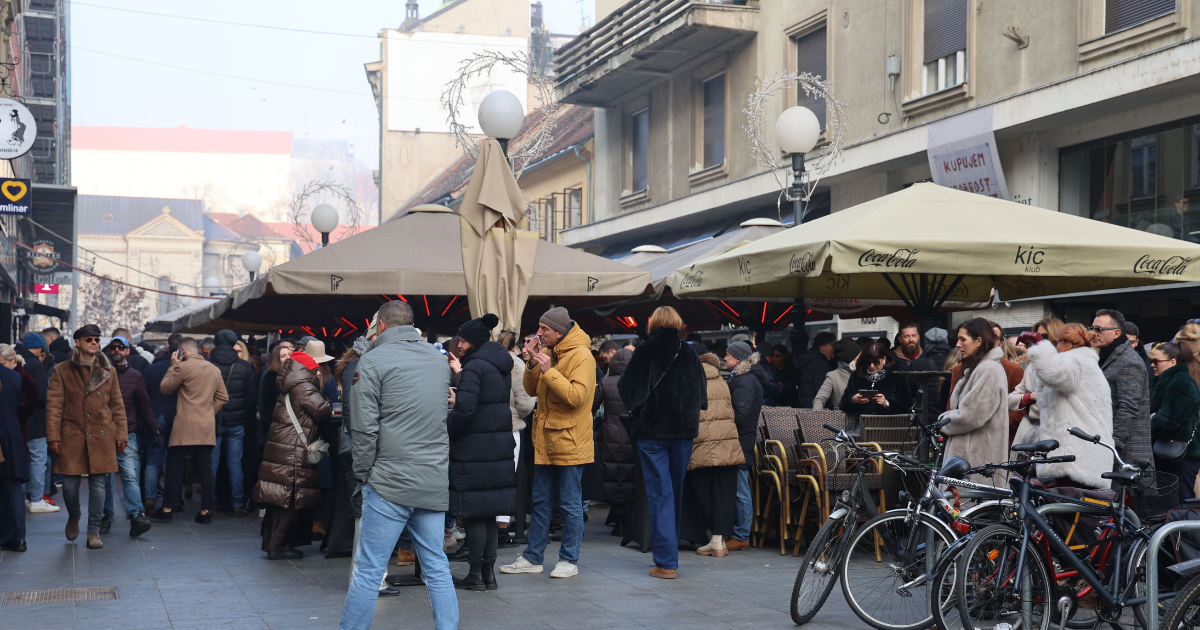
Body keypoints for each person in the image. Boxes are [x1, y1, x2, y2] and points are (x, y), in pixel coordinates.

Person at [339, 300, 458, 630]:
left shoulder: (373, 361)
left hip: (389, 479)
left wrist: (365, 474)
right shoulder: (438, 363)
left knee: (369, 570)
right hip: (431, 477)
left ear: (381, 325)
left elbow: (363, 428)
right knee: (436, 564)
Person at [499, 306, 596, 580]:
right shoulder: (551, 352)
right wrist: (531, 363)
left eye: (545, 329)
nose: (539, 333)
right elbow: (531, 391)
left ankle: (568, 560)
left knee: (570, 503)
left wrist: (549, 371)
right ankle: (533, 557)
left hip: (571, 440)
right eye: (539, 328)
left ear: (560, 332)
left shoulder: (582, 356)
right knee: (540, 501)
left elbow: (577, 396)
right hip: (545, 438)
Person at [616, 307, 705, 579]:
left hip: (653, 432)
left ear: (653, 324)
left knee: (660, 493)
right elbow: (702, 394)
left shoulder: (645, 350)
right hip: (683, 433)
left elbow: (626, 387)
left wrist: (639, 408)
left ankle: (667, 561)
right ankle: (669, 556)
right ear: (677, 324)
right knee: (674, 492)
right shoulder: (689, 352)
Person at [445, 314, 516, 590]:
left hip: (474, 448)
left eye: (462, 341)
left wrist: (449, 431)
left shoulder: (474, 367)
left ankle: (475, 575)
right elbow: (487, 400)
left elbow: (465, 412)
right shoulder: (499, 364)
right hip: (497, 446)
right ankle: (489, 574)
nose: (458, 346)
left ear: (473, 342)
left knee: (473, 511)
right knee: (489, 512)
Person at [45, 324, 127, 549]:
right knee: (70, 488)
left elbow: (118, 405)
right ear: (78, 342)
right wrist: (53, 437)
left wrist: (121, 434)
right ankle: (74, 515)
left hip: (101, 434)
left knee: (99, 486)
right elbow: (54, 406)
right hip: (72, 434)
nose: (94, 343)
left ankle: (94, 531)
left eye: (97, 340)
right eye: (89, 339)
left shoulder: (108, 370)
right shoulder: (63, 370)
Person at [1018, 324, 1114, 488]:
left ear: (1067, 343)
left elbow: (1054, 374)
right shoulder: (1086, 362)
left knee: (1066, 508)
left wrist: (1040, 345)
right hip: (1084, 455)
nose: (1055, 346)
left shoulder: (1076, 360)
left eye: (1057, 342)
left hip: (1075, 457)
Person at [150, 338, 229, 525]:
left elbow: (164, 388)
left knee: (174, 467)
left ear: (183, 351)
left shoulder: (183, 368)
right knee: (206, 469)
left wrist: (172, 366)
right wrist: (209, 412)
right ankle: (205, 512)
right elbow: (223, 397)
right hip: (205, 425)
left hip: (184, 424)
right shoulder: (214, 369)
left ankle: (167, 509)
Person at [681, 351, 742, 558]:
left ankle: (714, 540)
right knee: (724, 494)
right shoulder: (724, 383)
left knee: (703, 492)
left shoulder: (691, 380)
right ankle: (719, 540)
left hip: (702, 446)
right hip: (728, 445)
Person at [938, 318, 1010, 484]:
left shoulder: (988, 369)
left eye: (963, 339)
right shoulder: (978, 367)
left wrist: (942, 421)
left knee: (968, 507)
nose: (957, 344)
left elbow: (971, 416)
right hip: (971, 455)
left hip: (977, 458)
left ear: (978, 341)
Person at [100, 336, 155, 537]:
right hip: (102, 433)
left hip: (128, 433)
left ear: (127, 351)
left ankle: (136, 516)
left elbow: (145, 405)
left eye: (121, 347)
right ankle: (106, 515)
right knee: (104, 478)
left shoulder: (135, 376)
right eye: (113, 347)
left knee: (130, 476)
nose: (116, 350)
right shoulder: (98, 374)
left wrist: (153, 430)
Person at [1092, 309, 1153, 469]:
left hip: (1125, 449)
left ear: (1117, 333)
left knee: (1122, 493)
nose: (1093, 333)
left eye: (1099, 329)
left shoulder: (1128, 361)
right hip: (1108, 442)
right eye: (1092, 328)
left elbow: (1128, 407)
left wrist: (1114, 445)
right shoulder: (1107, 355)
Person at [208, 329, 259, 517]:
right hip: (237, 422)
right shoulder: (245, 367)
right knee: (235, 464)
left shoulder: (208, 365)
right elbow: (252, 396)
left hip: (212, 420)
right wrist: (243, 413)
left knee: (211, 465)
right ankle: (238, 503)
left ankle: (208, 502)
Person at [724, 340, 765, 551]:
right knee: (740, 487)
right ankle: (739, 534)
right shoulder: (743, 379)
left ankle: (741, 535)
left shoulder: (744, 381)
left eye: (728, 355)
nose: (724, 358)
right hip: (741, 439)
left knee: (741, 489)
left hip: (740, 440)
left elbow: (740, 415)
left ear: (738, 359)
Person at [496, 330, 535, 537]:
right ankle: (502, 527)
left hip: (484, 427)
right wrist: (516, 414)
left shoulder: (484, 362)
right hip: (510, 427)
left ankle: (486, 524)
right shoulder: (517, 365)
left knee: (488, 478)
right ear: (515, 347)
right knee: (507, 478)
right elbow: (526, 403)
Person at [1149, 342, 1200, 499]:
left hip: (1182, 453)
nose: (1152, 365)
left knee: (1180, 499)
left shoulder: (1180, 382)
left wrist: (1147, 424)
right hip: (1170, 451)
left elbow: (1167, 420)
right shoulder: (1166, 380)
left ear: (1172, 362)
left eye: (1157, 361)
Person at [1011, 317, 1066, 447]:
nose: (1039, 340)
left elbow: (1053, 405)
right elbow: (1011, 400)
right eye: (1036, 337)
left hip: (1057, 435)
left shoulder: (1065, 364)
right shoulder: (1032, 366)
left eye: (1044, 336)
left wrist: (1032, 402)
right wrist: (1032, 396)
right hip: (1029, 433)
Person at [598, 348, 635, 536]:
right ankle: (627, 520)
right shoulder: (636, 383)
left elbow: (593, 405)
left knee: (612, 473)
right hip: (631, 432)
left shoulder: (605, 382)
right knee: (629, 474)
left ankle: (617, 517)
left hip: (609, 432)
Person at [16, 333, 54, 512]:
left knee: (20, 459)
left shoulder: (14, 361)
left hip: (17, 421)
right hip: (35, 421)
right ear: (40, 347)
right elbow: (40, 395)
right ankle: (37, 499)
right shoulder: (35, 364)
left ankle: (21, 498)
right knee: (38, 460)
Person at [143, 334, 182, 513]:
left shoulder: (152, 369)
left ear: (167, 346)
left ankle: (149, 498)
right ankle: (175, 499)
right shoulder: (185, 368)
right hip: (178, 417)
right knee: (175, 461)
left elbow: (145, 395)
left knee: (153, 460)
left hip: (156, 416)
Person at [839, 342, 914, 417]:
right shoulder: (856, 376)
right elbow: (842, 405)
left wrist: (886, 403)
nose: (872, 366)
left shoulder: (897, 377)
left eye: (876, 362)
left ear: (884, 359)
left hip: (888, 425)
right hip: (861, 424)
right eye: (868, 362)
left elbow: (908, 407)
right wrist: (853, 400)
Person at [0, 345, 27, 551]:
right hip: (12, 434)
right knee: (13, 486)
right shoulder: (14, 377)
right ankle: (17, 536)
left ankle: (7, 534)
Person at [813, 340, 860, 411]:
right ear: (850, 358)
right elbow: (819, 399)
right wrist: (816, 418)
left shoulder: (865, 373)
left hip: (863, 419)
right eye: (858, 356)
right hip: (841, 419)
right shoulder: (833, 376)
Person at [795, 332, 836, 409]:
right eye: (831, 344)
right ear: (821, 347)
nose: (834, 348)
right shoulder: (821, 365)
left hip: (807, 407)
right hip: (816, 410)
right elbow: (822, 391)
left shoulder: (811, 361)